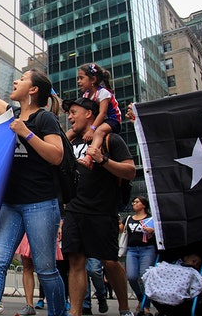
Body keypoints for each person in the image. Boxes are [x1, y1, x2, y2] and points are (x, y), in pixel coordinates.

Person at [0, 69, 67, 316]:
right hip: (10, 204)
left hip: (41, 204)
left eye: (22, 79)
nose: (16, 81)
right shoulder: (11, 114)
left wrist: (26, 133)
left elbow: (56, 156)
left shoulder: (45, 119)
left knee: (45, 269)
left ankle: (58, 313)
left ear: (33, 90)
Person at [61, 97, 136, 316]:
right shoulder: (71, 142)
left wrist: (103, 160)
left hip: (103, 212)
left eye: (74, 112)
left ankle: (124, 309)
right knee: (76, 261)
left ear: (89, 114)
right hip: (74, 211)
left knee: (110, 262)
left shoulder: (110, 139)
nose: (70, 116)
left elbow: (130, 171)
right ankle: (75, 312)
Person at [70, 63, 122, 168]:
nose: (78, 81)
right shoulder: (86, 95)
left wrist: (92, 129)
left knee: (99, 132)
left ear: (93, 80)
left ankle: (89, 157)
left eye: (81, 78)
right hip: (101, 120)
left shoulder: (103, 93)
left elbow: (102, 113)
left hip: (112, 120)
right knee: (72, 132)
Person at [122, 195, 155, 314]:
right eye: (133, 202)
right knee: (131, 276)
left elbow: (159, 231)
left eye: (137, 202)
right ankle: (141, 298)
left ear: (144, 205)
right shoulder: (128, 218)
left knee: (144, 276)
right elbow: (120, 229)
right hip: (131, 250)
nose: (134, 204)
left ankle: (145, 305)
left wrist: (153, 231)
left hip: (147, 249)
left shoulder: (151, 219)